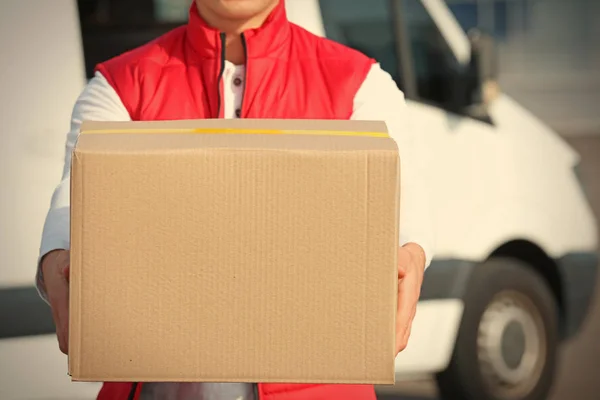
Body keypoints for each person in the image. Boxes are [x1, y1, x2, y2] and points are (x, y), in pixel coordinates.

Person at [36, 0, 435, 399]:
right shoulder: (120, 85)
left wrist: (411, 252)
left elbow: (400, 207)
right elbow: (77, 204)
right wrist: (57, 254)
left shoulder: (360, 83)